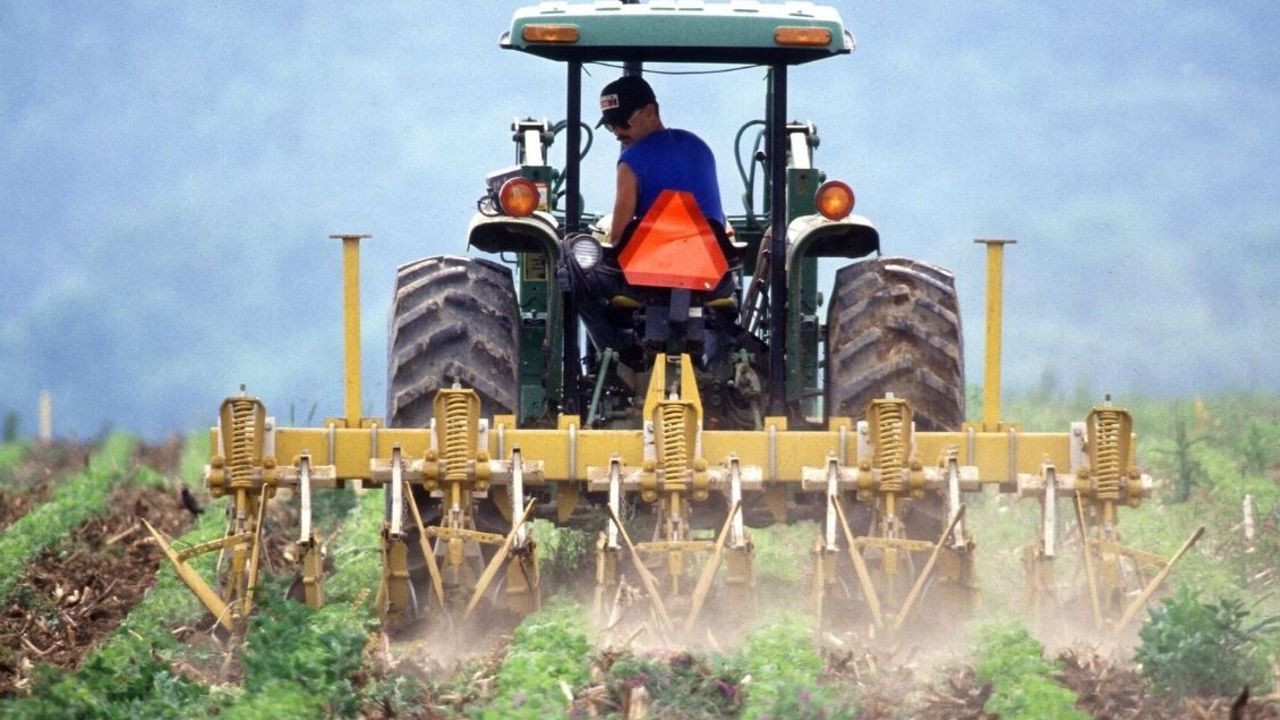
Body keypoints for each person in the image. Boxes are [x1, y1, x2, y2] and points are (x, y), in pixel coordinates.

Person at [597, 75, 725, 239]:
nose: (617, 133)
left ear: (650, 112)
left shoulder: (630, 162)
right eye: (610, 126)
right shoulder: (700, 147)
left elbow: (618, 239)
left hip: (659, 261)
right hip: (714, 258)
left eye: (623, 122)